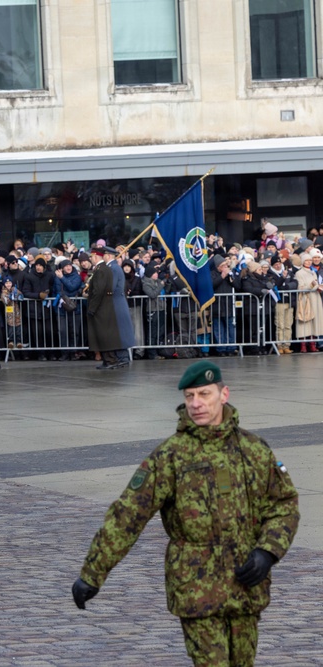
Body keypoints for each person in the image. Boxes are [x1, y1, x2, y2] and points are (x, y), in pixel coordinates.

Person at [71, 361, 299, 666]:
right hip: (197, 590)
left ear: (224, 394)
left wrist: (268, 552)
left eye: (204, 394)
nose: (196, 403)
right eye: (190, 396)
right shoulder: (170, 456)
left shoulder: (254, 450)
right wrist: (92, 574)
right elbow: (127, 516)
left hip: (245, 589)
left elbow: (284, 504)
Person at [86, 246, 124, 369]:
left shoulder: (101, 270)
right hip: (103, 307)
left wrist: (92, 308)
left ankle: (110, 360)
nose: (91, 259)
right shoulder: (102, 269)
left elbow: (98, 291)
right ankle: (107, 360)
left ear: (96, 256)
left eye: (91, 256)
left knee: (104, 335)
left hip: (101, 308)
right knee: (103, 334)